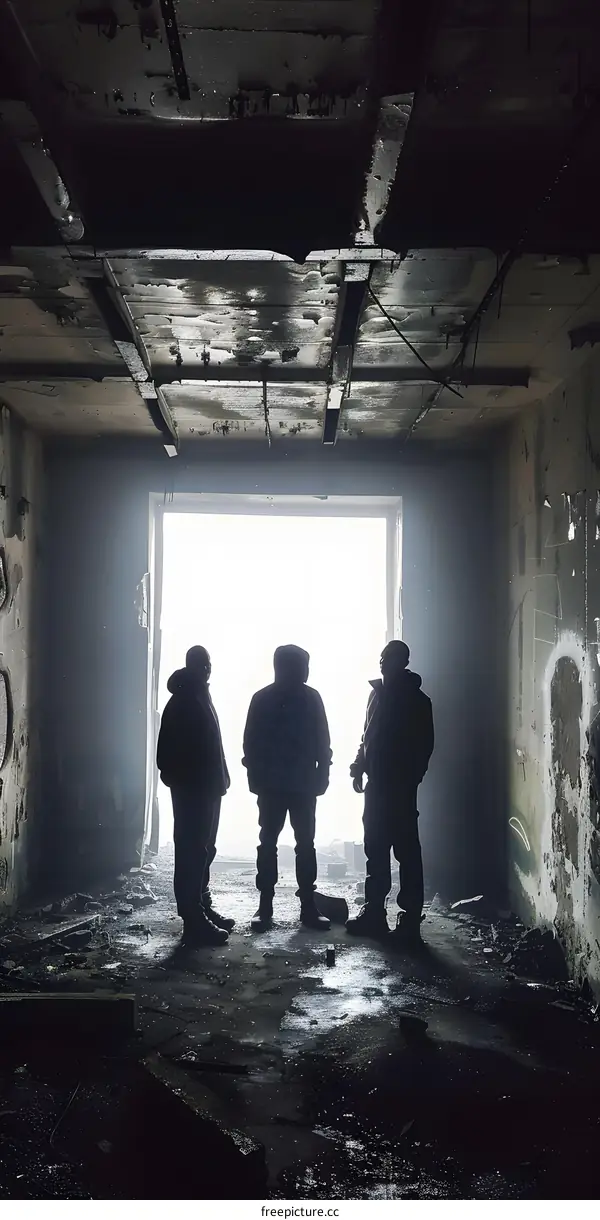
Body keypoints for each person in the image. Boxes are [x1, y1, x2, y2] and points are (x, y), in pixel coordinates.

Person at [346, 640, 434, 945]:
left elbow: (424, 748)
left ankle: (409, 920)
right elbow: (367, 734)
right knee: (376, 849)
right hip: (378, 787)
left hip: (399, 789)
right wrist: (359, 765)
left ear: (402, 662)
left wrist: (409, 781)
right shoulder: (376, 696)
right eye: (382, 657)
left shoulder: (418, 702)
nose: (382, 662)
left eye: (388, 658)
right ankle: (376, 914)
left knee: (406, 852)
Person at [243, 645, 332, 931]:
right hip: (281, 784)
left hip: (294, 783)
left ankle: (297, 905)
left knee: (295, 843)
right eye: (303, 665)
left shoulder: (300, 698)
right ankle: (271, 905)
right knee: (281, 843)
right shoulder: (268, 699)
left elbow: (322, 741)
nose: (307, 671)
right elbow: (251, 744)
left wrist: (323, 774)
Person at [156, 645, 234, 946]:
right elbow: (167, 755)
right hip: (193, 790)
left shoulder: (200, 695)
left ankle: (201, 907)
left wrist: (220, 780)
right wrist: (187, 781)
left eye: (208, 664)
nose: (208, 669)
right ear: (194, 667)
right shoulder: (183, 701)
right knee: (191, 852)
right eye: (204, 665)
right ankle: (193, 919)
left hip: (207, 788)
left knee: (203, 850)